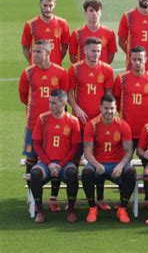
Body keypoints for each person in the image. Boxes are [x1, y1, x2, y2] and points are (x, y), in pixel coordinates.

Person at [18, 40, 68, 212]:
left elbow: (64, 97)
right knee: (31, 160)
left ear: (47, 53)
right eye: (33, 51)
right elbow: (23, 96)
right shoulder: (28, 73)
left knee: (55, 159)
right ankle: (34, 198)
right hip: (33, 124)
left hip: (55, 125)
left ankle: (53, 198)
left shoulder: (60, 73)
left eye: (38, 51)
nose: (34, 54)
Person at [68, 37, 115, 209]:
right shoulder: (75, 69)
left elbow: (108, 96)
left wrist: (104, 116)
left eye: (98, 51)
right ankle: (70, 199)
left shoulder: (107, 70)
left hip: (99, 125)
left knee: (99, 159)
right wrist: (77, 109)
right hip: (79, 124)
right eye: (93, 50)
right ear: (85, 51)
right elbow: (68, 91)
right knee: (73, 159)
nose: (96, 54)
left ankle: (100, 199)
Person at [82, 94, 136, 223]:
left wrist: (121, 165)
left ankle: (122, 209)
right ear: (100, 107)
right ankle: (92, 208)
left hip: (116, 164)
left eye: (112, 108)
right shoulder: (92, 125)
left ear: (116, 108)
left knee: (131, 173)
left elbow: (129, 152)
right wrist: (96, 164)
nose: (109, 112)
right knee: (87, 172)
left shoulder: (123, 125)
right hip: (99, 164)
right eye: (106, 108)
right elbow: (87, 152)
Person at [29, 89, 81, 223]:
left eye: (54, 103)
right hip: (46, 164)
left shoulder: (73, 121)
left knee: (72, 173)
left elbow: (75, 147)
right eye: (50, 102)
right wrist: (49, 163)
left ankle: (71, 211)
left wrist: (61, 165)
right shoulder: (42, 118)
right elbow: (36, 144)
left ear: (64, 103)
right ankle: (40, 211)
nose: (50, 106)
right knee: (34, 174)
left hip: (64, 164)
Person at [113, 46, 148, 151]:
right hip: (126, 131)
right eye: (134, 59)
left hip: (147, 131)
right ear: (129, 60)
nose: (137, 62)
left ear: (145, 59)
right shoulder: (121, 79)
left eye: (140, 59)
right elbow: (116, 101)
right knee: (124, 164)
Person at [21, 0, 70, 66]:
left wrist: (56, 60)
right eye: (45, 5)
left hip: (55, 69)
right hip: (36, 68)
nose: (48, 9)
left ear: (55, 5)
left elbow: (65, 48)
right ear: (40, 4)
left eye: (50, 5)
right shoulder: (30, 24)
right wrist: (34, 61)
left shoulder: (62, 23)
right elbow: (25, 49)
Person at [69, 0, 117, 64]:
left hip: (102, 73)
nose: (94, 13)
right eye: (91, 10)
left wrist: (103, 68)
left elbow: (111, 54)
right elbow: (72, 55)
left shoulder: (109, 33)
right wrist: (81, 68)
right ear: (85, 13)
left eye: (97, 10)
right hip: (83, 73)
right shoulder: (76, 33)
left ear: (101, 13)